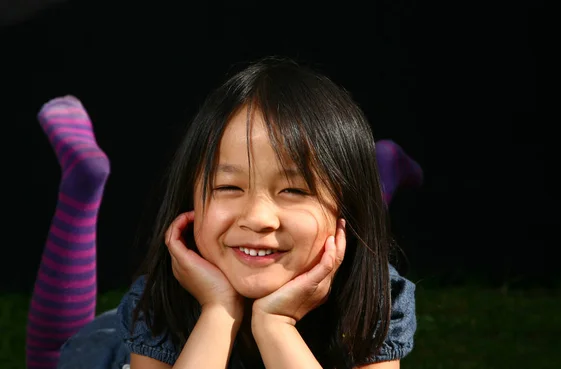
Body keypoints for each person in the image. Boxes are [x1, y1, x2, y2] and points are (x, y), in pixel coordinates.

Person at [27, 57, 419, 369]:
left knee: (337, 233)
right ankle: (80, 192)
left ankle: (375, 171)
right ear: (190, 200)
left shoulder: (374, 295)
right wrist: (217, 311)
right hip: (119, 349)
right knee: (56, 354)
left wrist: (275, 325)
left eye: (294, 189)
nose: (258, 216)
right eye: (229, 187)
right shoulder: (161, 299)